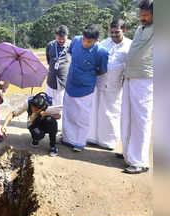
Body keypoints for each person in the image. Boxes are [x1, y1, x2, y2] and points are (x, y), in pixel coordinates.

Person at [117, 0, 153, 174]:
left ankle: (139, 161)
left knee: (141, 119)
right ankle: (128, 154)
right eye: (141, 14)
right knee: (127, 115)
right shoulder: (140, 28)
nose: (142, 18)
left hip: (145, 79)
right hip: (130, 77)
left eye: (146, 15)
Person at [61, 24, 109, 152]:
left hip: (85, 89)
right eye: (84, 39)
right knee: (68, 113)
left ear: (96, 40)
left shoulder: (101, 52)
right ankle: (66, 138)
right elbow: (71, 54)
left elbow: (102, 70)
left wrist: (87, 75)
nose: (85, 43)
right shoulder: (76, 40)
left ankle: (79, 142)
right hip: (70, 84)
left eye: (89, 41)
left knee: (82, 117)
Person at [87, 19, 132, 151]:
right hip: (99, 82)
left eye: (116, 32)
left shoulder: (130, 45)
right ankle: (93, 138)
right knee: (95, 110)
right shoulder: (104, 43)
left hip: (115, 85)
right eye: (111, 32)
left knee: (111, 113)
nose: (113, 35)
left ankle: (109, 141)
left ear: (123, 30)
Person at [1, 92, 60, 157]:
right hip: (34, 122)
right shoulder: (28, 103)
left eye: (37, 109)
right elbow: (13, 113)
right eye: (33, 108)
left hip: (45, 122)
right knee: (37, 134)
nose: (34, 110)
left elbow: (58, 116)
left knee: (51, 121)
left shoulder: (49, 103)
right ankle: (35, 139)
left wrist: (47, 114)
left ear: (42, 107)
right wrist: (4, 126)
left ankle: (53, 146)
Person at [46, 25, 71, 106]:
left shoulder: (71, 45)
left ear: (67, 36)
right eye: (58, 38)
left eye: (63, 38)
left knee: (62, 107)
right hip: (51, 81)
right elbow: (49, 60)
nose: (60, 40)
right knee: (49, 106)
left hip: (64, 83)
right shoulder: (50, 45)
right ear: (55, 36)